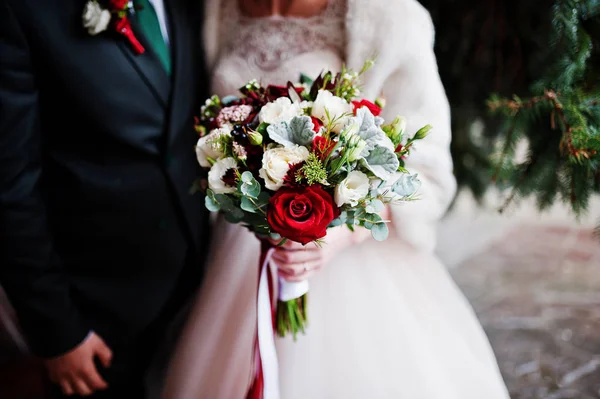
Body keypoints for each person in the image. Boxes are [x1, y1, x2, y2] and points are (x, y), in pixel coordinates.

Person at [162, 0, 511, 398]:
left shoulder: (390, 16)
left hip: (352, 258)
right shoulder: (214, 11)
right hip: (241, 253)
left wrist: (338, 234)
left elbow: (427, 171)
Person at [0, 0, 210, 397]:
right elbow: (11, 186)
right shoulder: (23, 11)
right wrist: (57, 330)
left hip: (201, 284)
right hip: (97, 310)